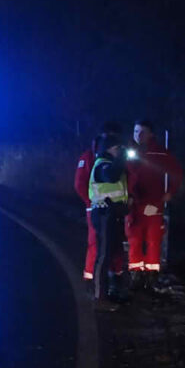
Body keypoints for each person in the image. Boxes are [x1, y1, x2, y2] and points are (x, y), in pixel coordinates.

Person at [126, 119, 182, 291]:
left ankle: (151, 277)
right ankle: (136, 273)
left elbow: (176, 172)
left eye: (142, 132)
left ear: (151, 134)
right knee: (134, 239)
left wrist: (170, 192)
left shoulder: (159, 153)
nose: (138, 135)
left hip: (153, 203)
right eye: (136, 131)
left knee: (153, 240)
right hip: (133, 203)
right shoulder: (128, 152)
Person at [75, 121, 125, 291]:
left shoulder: (114, 158)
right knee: (97, 246)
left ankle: (113, 278)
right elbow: (80, 184)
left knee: (114, 246)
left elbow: (127, 180)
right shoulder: (92, 158)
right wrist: (91, 203)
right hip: (99, 208)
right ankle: (93, 283)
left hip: (114, 210)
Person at [88, 135, 135, 310]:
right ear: (109, 149)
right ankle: (99, 298)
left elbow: (116, 192)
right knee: (103, 256)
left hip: (112, 216)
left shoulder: (113, 164)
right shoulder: (102, 165)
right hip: (103, 215)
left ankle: (111, 292)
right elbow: (112, 176)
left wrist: (124, 207)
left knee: (113, 254)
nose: (120, 153)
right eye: (118, 149)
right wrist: (122, 157)